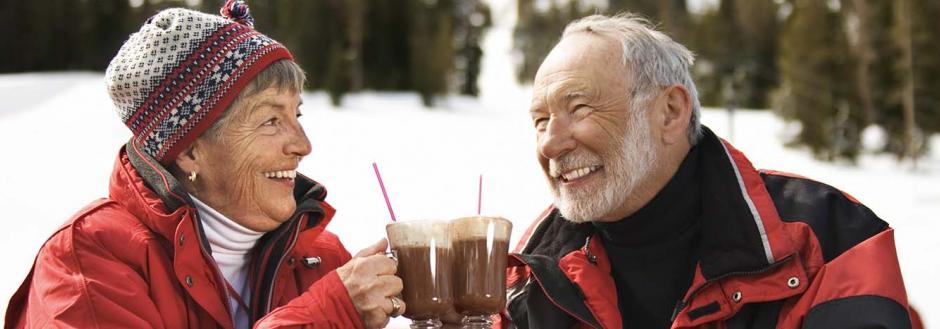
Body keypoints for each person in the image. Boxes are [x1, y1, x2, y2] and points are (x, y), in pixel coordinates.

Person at [500, 14, 922, 329]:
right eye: (540, 121)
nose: (549, 143)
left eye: (579, 108)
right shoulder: (532, 272)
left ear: (670, 112)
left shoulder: (829, 239)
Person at [5, 2, 404, 328]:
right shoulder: (88, 260)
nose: (303, 146)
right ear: (190, 150)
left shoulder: (324, 258)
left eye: (297, 115)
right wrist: (327, 313)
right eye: (270, 121)